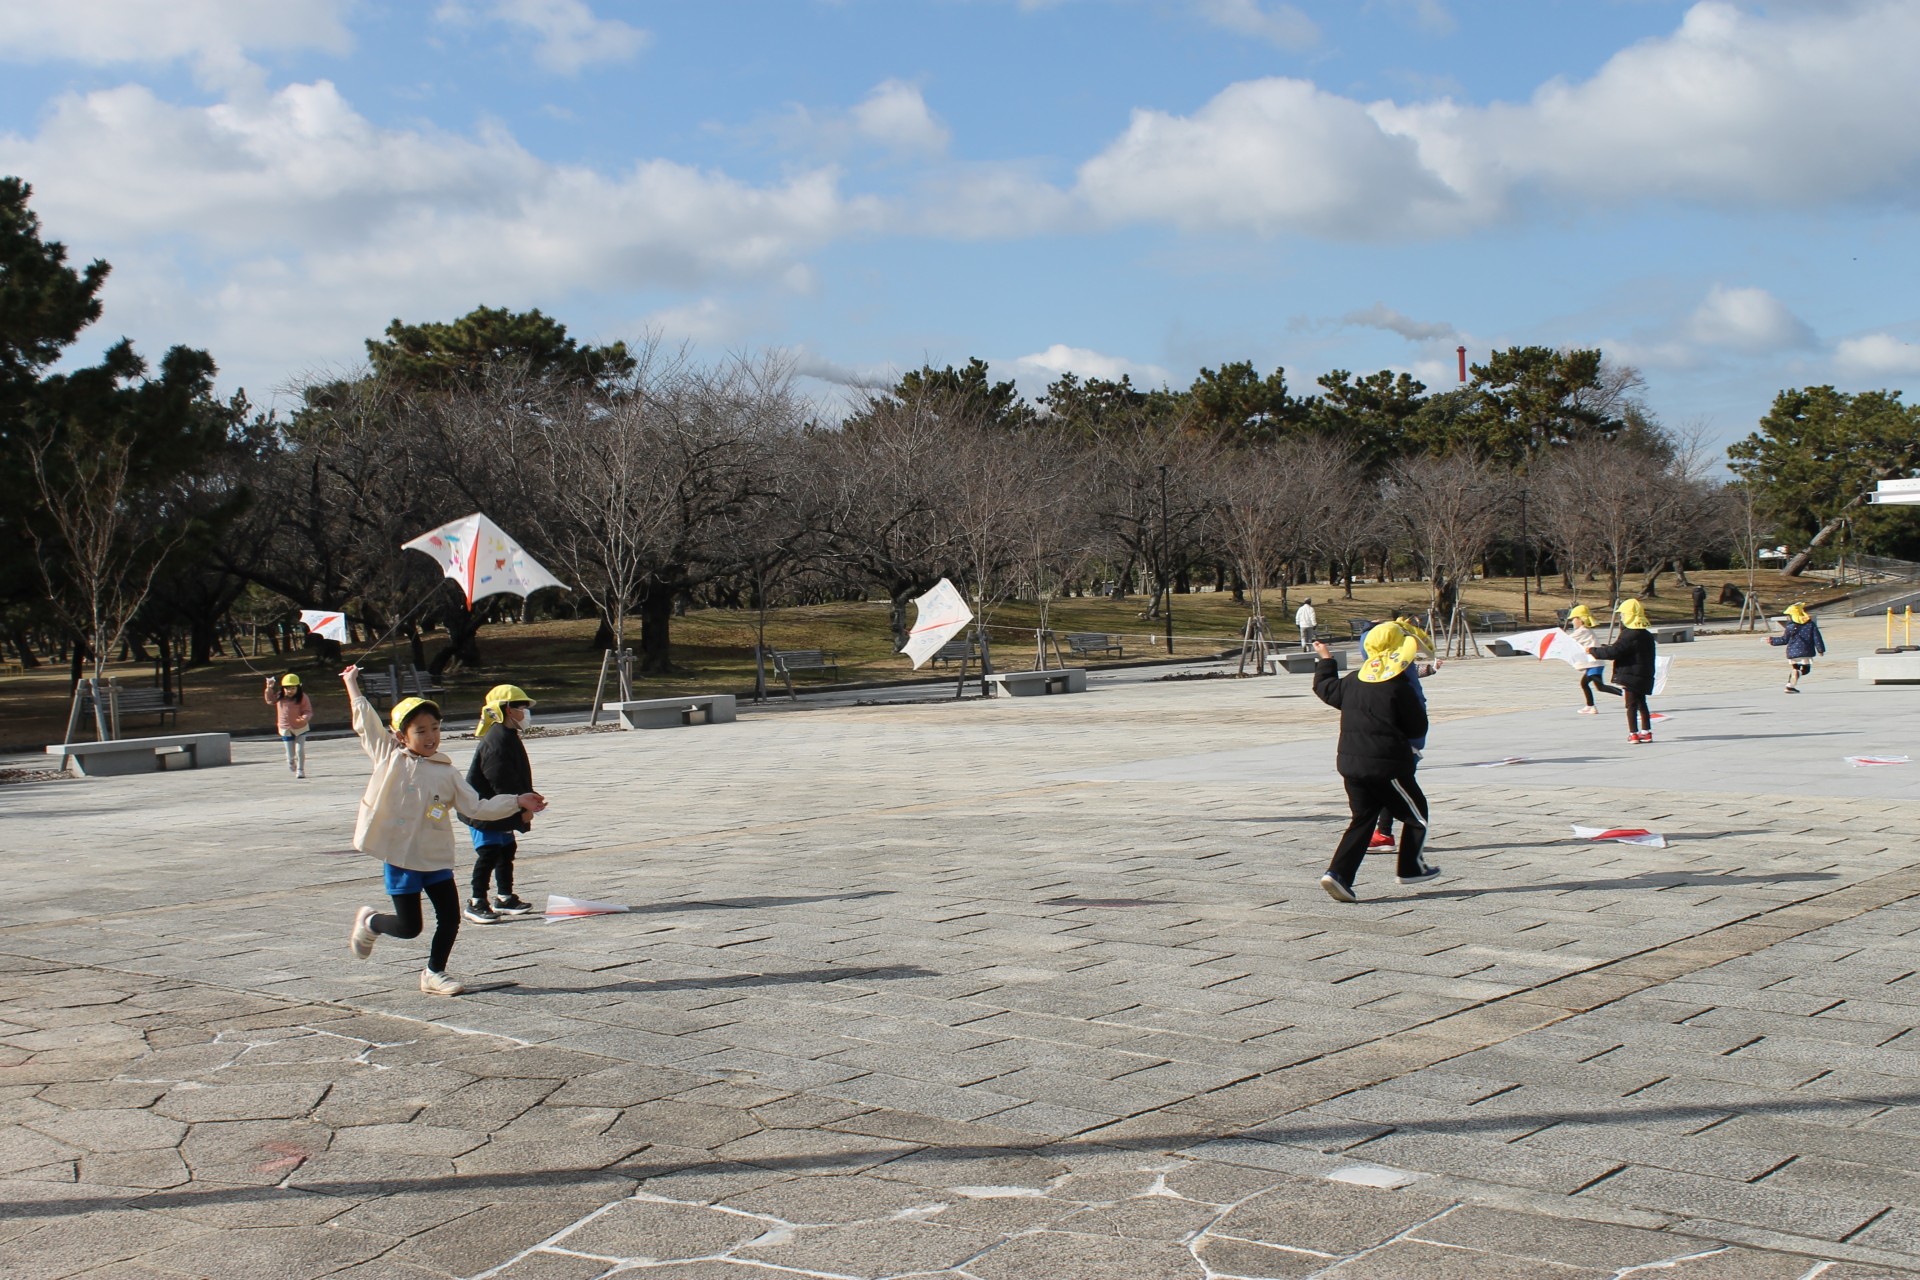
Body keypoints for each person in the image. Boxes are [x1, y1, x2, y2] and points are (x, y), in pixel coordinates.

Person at [341, 666, 546, 996]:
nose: (430, 736)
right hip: (401, 859)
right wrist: (352, 684)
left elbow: (476, 807)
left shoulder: (447, 772)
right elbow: (366, 723)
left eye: (435, 728)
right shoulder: (388, 757)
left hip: (435, 858)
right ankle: (371, 922)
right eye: (420, 730)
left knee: (450, 918)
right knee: (409, 927)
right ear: (400, 735)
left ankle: (434, 973)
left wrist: (516, 801)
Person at [1312, 622, 1441, 903]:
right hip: (1386, 766)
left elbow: (1324, 688)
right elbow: (1417, 726)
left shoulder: (1353, 680)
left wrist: (1326, 659)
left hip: (1350, 764)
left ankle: (1338, 874)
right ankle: (1411, 868)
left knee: (1363, 818)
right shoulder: (1398, 686)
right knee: (1417, 815)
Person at [462, 684, 540, 923]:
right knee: (488, 853)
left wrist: (529, 797)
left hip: (502, 809)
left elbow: (515, 777)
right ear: (507, 709)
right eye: (521, 707)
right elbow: (500, 781)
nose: (525, 712)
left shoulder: (507, 735)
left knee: (506, 850)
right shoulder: (497, 741)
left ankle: (505, 897)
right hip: (485, 811)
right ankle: (476, 901)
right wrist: (521, 808)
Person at [1371, 617, 1436, 851]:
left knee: (1393, 786)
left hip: (1401, 735)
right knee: (1392, 785)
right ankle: (1384, 833)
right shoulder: (1399, 662)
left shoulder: (1392, 665)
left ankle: (1390, 836)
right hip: (1406, 734)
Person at [1586, 599, 1658, 744]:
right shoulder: (1647, 635)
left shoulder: (1629, 634)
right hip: (1644, 675)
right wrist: (1605, 648)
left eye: (1623, 615)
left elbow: (1614, 652)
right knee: (1642, 703)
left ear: (1629, 616)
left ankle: (1633, 734)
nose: (1622, 618)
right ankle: (1646, 732)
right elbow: (1622, 649)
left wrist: (1593, 651)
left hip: (1630, 675)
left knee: (1631, 705)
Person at [1566, 605, 1622, 715]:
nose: (1572, 621)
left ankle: (1624, 694)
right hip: (1594, 664)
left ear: (1580, 619)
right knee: (1597, 686)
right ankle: (1591, 706)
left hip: (1594, 664)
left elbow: (1568, 640)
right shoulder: (1585, 631)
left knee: (1595, 685)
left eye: (1574, 619)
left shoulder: (1583, 631)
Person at [265, 673, 314, 778]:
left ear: (298, 688)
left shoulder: (303, 697)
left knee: (299, 750)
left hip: (301, 727)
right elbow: (270, 700)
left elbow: (308, 711)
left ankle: (300, 770)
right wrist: (269, 688)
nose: (290, 691)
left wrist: (304, 718)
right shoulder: (280, 696)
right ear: (283, 688)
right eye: (287, 688)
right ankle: (290, 760)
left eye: (293, 688)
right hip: (286, 728)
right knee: (290, 753)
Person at [1770, 602, 1826, 693]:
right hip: (1806, 652)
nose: (1788, 617)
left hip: (1792, 653)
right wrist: (1821, 650)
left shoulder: (1790, 626)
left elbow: (1784, 640)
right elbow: (1817, 638)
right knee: (1805, 670)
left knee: (1795, 669)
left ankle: (1790, 686)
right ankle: (1791, 684)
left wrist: (1772, 640)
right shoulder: (1810, 624)